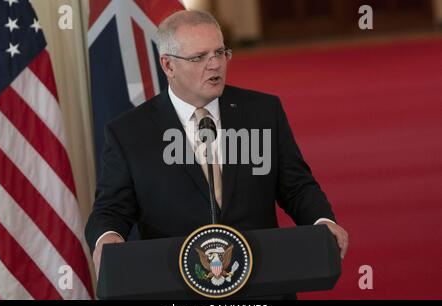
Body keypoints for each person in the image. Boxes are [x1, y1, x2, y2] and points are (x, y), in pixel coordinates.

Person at [85, 10, 348, 281]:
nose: (215, 65)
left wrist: (322, 221)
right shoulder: (129, 132)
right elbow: (111, 208)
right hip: (175, 286)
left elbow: (296, 186)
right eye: (199, 57)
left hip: (260, 279)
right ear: (168, 65)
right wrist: (108, 236)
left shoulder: (263, 112)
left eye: (220, 53)